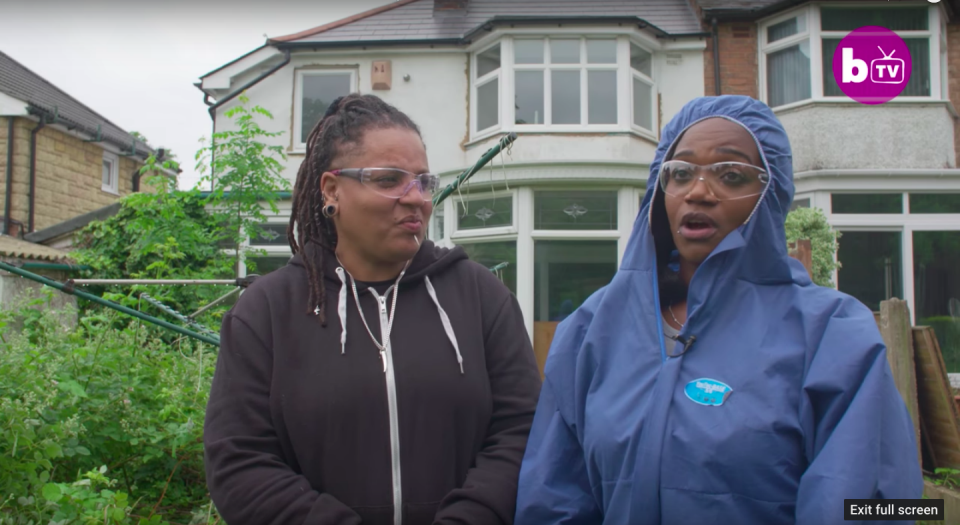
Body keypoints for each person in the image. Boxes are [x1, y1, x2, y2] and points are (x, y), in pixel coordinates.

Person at [514, 95, 922, 524]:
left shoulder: (832, 334)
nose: (699, 191)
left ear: (771, 192)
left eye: (730, 175)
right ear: (659, 189)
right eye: (682, 172)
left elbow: (877, 502)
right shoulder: (591, 330)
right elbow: (553, 495)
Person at [204, 93, 542, 525]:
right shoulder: (267, 311)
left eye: (423, 181)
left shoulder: (480, 298)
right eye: (388, 180)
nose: (415, 197)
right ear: (331, 191)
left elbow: (521, 431)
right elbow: (240, 460)